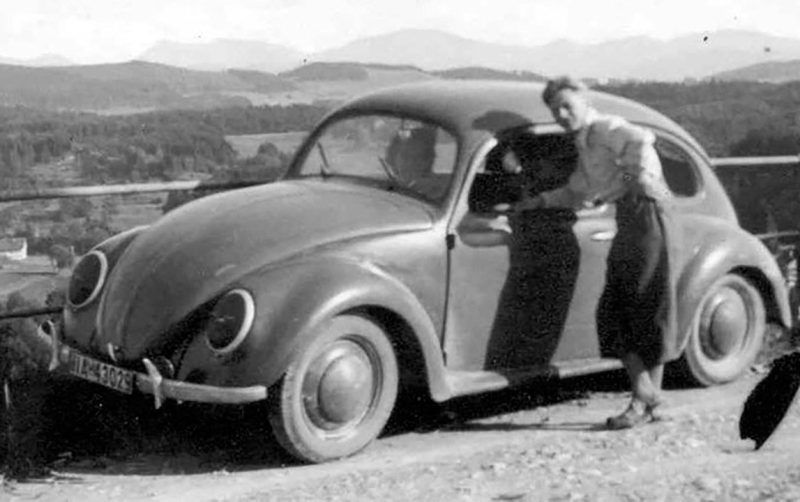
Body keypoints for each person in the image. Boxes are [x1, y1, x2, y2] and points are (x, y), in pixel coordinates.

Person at [514, 76, 679, 429]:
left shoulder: (604, 128)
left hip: (648, 213)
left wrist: (635, 178)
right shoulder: (585, 144)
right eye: (555, 110)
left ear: (585, 103)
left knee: (637, 305)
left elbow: (641, 139)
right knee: (626, 308)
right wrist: (538, 201)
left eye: (567, 106)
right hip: (632, 218)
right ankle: (650, 399)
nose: (561, 115)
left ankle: (644, 399)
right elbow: (577, 191)